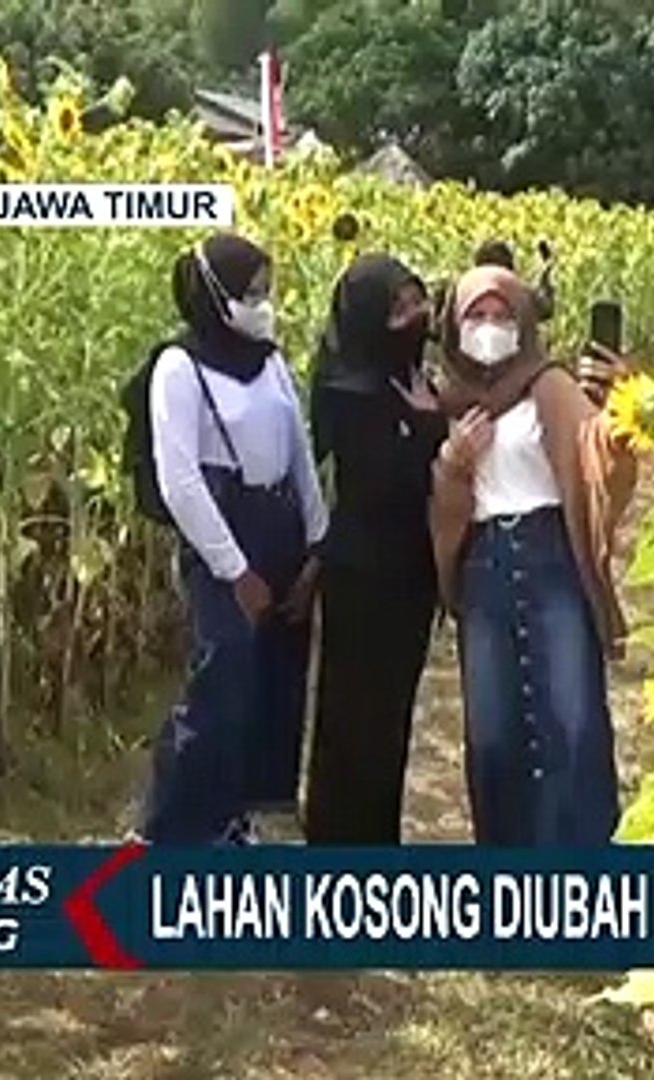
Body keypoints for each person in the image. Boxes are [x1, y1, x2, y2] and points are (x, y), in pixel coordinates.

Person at [430, 264, 639, 847]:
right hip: (484, 568)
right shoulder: (444, 397)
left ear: (524, 322)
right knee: (494, 733)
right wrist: (452, 463)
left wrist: (625, 409)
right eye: (476, 315)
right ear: (454, 326)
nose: (489, 326)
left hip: (551, 561)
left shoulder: (551, 386)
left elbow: (600, 454)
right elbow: (440, 506)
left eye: (501, 315)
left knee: (572, 721)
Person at [137, 232, 326, 845]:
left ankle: (235, 818)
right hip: (222, 532)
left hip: (280, 526)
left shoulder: (268, 360)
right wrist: (234, 570)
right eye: (250, 292)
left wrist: (316, 546)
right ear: (214, 296)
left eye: (266, 290)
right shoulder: (180, 367)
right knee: (221, 684)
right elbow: (180, 481)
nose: (262, 303)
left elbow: (299, 452)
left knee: (273, 686)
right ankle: (170, 828)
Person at [302, 253, 447, 845]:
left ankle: (377, 837)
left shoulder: (412, 377)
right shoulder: (350, 391)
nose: (414, 317)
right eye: (397, 309)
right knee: (353, 718)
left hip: (410, 577)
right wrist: (432, 431)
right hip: (365, 579)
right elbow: (387, 483)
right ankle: (338, 840)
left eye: (417, 301)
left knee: (391, 719)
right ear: (367, 319)